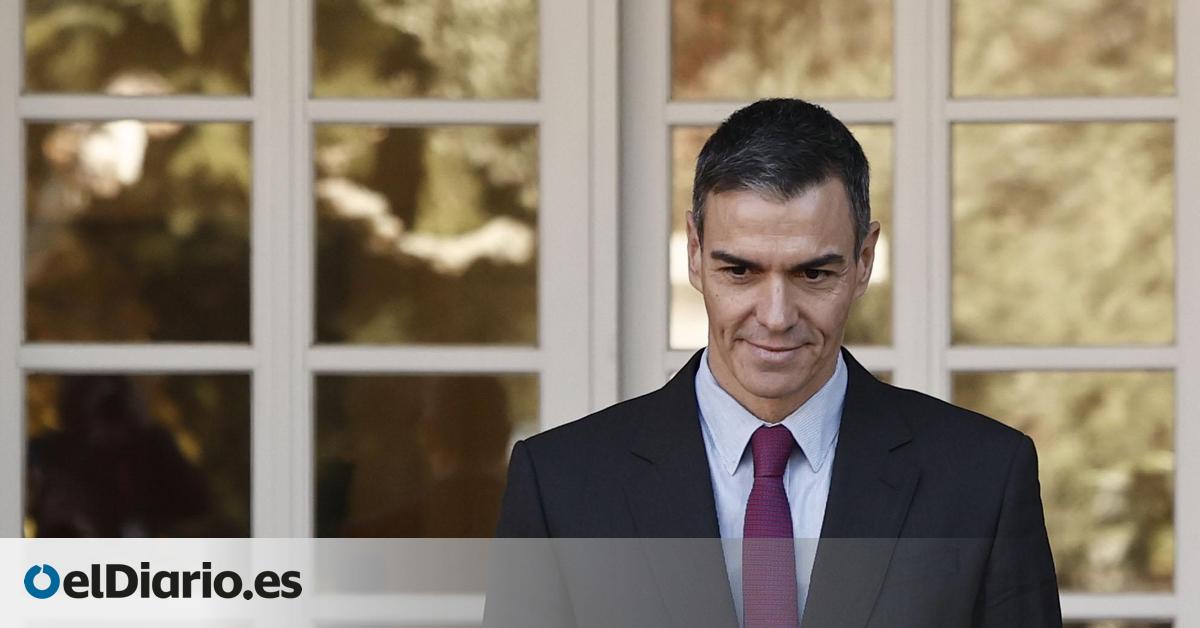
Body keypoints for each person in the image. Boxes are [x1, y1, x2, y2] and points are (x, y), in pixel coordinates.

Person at [486, 99, 1061, 627]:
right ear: (694, 251)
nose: (777, 316)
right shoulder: (559, 486)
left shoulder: (984, 479)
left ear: (864, 259)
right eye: (740, 271)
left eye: (813, 273)